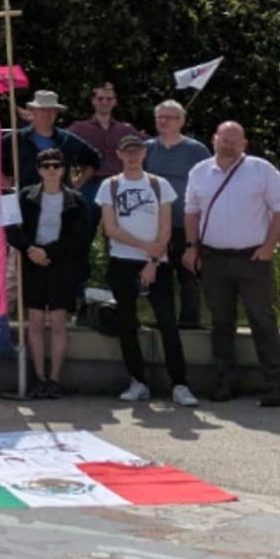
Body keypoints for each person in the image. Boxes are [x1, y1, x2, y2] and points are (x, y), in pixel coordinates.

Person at [182, 121, 280, 407]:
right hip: (213, 258)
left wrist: (268, 248)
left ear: (244, 144)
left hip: (253, 258)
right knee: (221, 323)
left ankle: (275, 385)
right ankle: (225, 383)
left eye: (235, 141)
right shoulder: (199, 171)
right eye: (224, 140)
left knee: (262, 321)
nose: (229, 145)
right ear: (214, 139)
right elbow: (191, 212)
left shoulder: (261, 169)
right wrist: (192, 248)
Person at [96, 136, 197, 406]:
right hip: (122, 261)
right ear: (119, 154)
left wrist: (152, 259)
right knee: (127, 323)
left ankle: (180, 384)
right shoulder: (110, 185)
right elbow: (111, 228)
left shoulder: (158, 184)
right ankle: (137, 381)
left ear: (144, 154)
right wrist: (145, 248)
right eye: (127, 152)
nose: (132, 157)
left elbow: (166, 226)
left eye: (137, 151)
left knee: (167, 323)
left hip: (157, 263)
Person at [5, 149, 89, 398]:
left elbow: (80, 235)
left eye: (56, 165)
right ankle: (39, 377)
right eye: (46, 165)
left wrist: (48, 252)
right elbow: (11, 228)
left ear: (63, 169)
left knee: (59, 323)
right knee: (36, 322)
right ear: (39, 169)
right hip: (32, 263)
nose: (51, 169)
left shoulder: (76, 199)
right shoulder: (25, 196)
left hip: (61, 265)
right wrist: (30, 249)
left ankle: (55, 379)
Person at [143, 100, 211, 328]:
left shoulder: (197, 150)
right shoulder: (147, 148)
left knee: (188, 275)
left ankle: (190, 323)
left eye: (169, 117)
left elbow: (209, 184)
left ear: (181, 121)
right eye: (159, 117)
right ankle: (164, 321)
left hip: (187, 225)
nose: (163, 121)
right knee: (159, 276)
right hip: (154, 225)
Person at [1, 90, 101, 190]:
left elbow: (94, 158)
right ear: (33, 111)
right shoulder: (16, 139)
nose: (47, 114)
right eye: (42, 109)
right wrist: (5, 181)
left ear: (56, 113)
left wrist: (78, 183)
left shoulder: (67, 139)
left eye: (51, 110)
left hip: (61, 198)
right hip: (27, 197)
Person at [68, 83, 146, 208]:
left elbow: (149, 144)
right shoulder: (79, 128)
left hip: (119, 187)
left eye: (109, 99)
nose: (105, 102)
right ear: (93, 101)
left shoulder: (125, 129)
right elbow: (58, 145)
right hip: (89, 187)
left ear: (115, 102)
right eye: (100, 98)